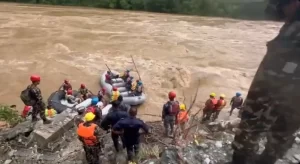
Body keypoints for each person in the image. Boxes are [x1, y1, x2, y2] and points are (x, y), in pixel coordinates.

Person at [232, 1, 300, 164]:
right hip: (288, 94)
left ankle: (245, 158)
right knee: (285, 127)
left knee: (255, 121)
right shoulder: (293, 24)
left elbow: (256, 105)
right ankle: (265, 158)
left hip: (276, 83)